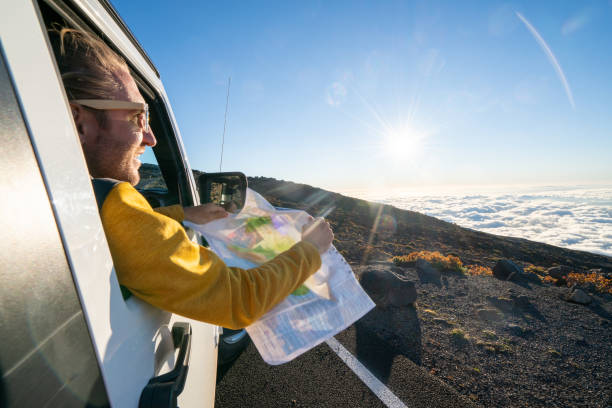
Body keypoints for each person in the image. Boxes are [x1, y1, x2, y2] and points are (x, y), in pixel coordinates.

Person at [50, 27, 333, 329]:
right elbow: (238, 299)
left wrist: (183, 214)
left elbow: (136, 231)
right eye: (137, 117)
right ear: (79, 123)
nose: (151, 138)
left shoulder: (62, 201)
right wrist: (310, 251)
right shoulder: (113, 202)